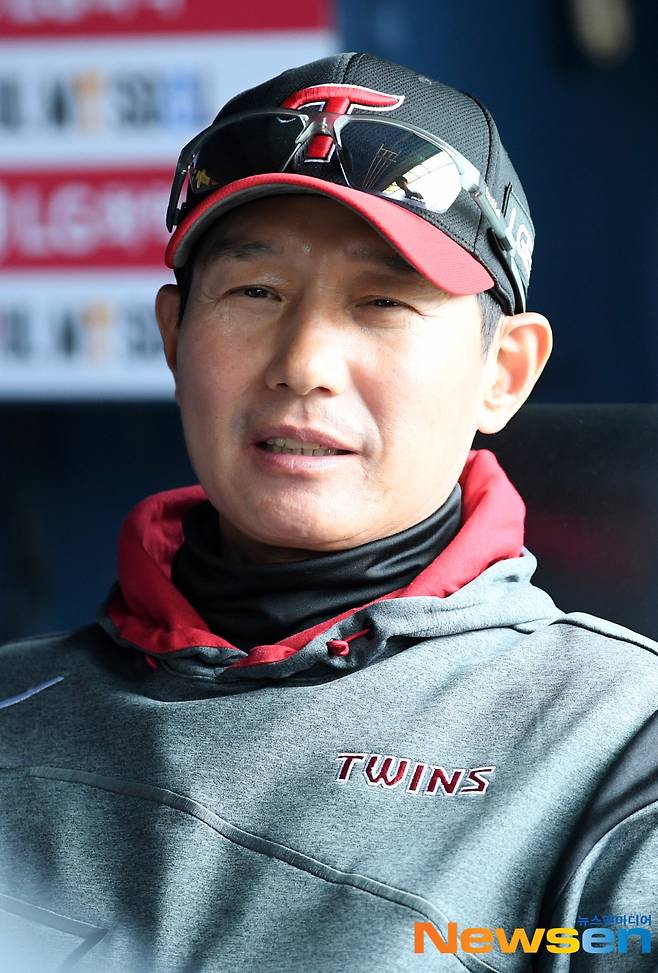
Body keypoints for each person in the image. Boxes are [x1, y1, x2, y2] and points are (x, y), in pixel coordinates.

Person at [0, 52, 656, 973]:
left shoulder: (618, 747)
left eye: (382, 301)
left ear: (503, 373)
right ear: (174, 338)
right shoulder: (16, 704)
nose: (303, 362)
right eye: (255, 292)